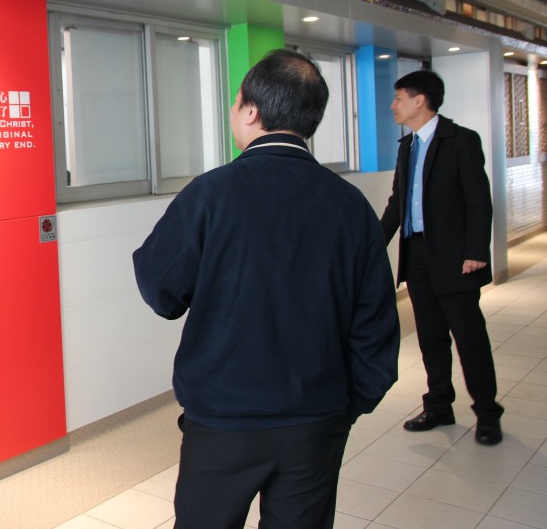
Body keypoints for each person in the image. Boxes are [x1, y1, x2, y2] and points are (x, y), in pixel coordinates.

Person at [133, 49, 399, 529]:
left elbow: (159, 288)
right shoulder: (350, 206)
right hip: (317, 419)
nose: (233, 110)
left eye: (236, 101)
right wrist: (345, 406)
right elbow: (376, 322)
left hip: (223, 419)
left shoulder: (210, 194)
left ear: (252, 111)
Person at [380, 69, 504, 445]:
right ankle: (438, 406)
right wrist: (372, 244)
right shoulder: (407, 146)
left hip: (455, 257)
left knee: (469, 338)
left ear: (420, 100)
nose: (393, 105)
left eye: (399, 98)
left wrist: (475, 251)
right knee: (431, 337)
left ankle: (487, 413)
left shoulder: (460, 140)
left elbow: (479, 201)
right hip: (417, 254)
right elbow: (397, 203)